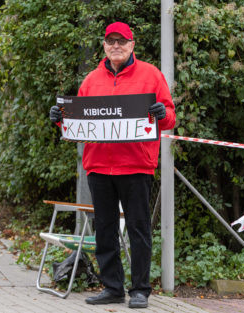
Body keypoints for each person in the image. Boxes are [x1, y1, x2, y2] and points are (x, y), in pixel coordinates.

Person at [49, 21, 175, 309]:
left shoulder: (151, 75)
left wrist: (161, 112)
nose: (116, 46)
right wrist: (61, 118)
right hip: (99, 167)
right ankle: (113, 288)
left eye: (122, 41)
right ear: (104, 46)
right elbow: (77, 124)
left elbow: (170, 116)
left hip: (137, 165)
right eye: (110, 41)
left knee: (138, 229)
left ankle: (140, 290)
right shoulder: (91, 80)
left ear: (132, 45)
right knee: (105, 229)